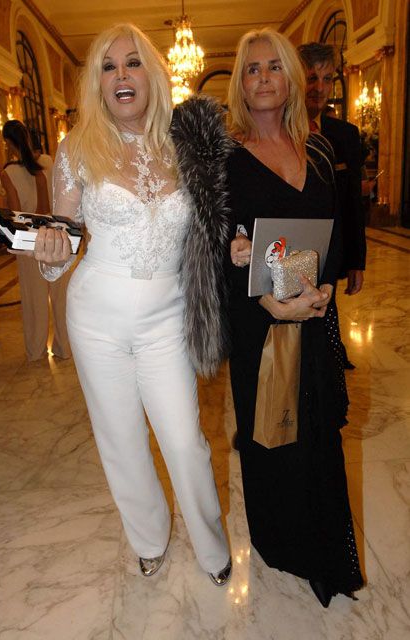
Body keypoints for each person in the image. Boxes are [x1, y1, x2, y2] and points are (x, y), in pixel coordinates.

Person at [31, 23, 232, 585]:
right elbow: (63, 236)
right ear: (98, 83)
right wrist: (51, 252)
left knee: (185, 441)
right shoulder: (76, 149)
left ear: (153, 75)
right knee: (121, 440)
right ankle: (149, 538)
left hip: (168, 317)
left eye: (133, 62)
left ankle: (211, 546)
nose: (121, 74)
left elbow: (217, 222)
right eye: (108, 66)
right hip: (96, 319)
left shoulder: (187, 144)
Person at [226, 27, 364, 607]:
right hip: (258, 323)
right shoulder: (226, 159)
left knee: (318, 431)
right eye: (252, 68)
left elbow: (332, 229)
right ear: (241, 82)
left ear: (292, 78)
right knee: (272, 434)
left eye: (273, 66)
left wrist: (327, 285)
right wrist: (260, 291)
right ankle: (282, 542)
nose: (263, 78)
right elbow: (215, 243)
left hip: (312, 315)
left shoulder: (319, 152)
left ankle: (324, 548)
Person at [298, 42, 366, 369]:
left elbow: (353, 204)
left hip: (331, 250)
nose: (320, 88)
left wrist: (356, 260)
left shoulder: (345, 135)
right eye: (312, 78)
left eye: (327, 79)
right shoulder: (276, 130)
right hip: (290, 247)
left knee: (326, 313)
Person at [0, 120, 71, 361]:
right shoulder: (48, 162)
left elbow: (16, 213)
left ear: (8, 143)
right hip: (55, 234)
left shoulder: (8, 173)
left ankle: (36, 350)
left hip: (29, 238)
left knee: (34, 299)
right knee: (60, 296)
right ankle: (64, 348)